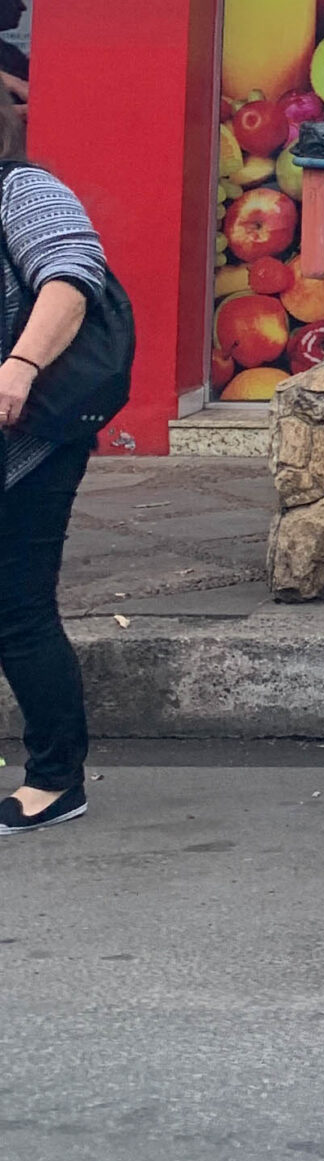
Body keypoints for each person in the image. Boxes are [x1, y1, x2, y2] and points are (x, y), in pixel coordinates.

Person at [0, 102, 109, 837]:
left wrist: (20, 365)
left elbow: (71, 278)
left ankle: (55, 779)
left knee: (17, 606)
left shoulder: (23, 190)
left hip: (26, 441)